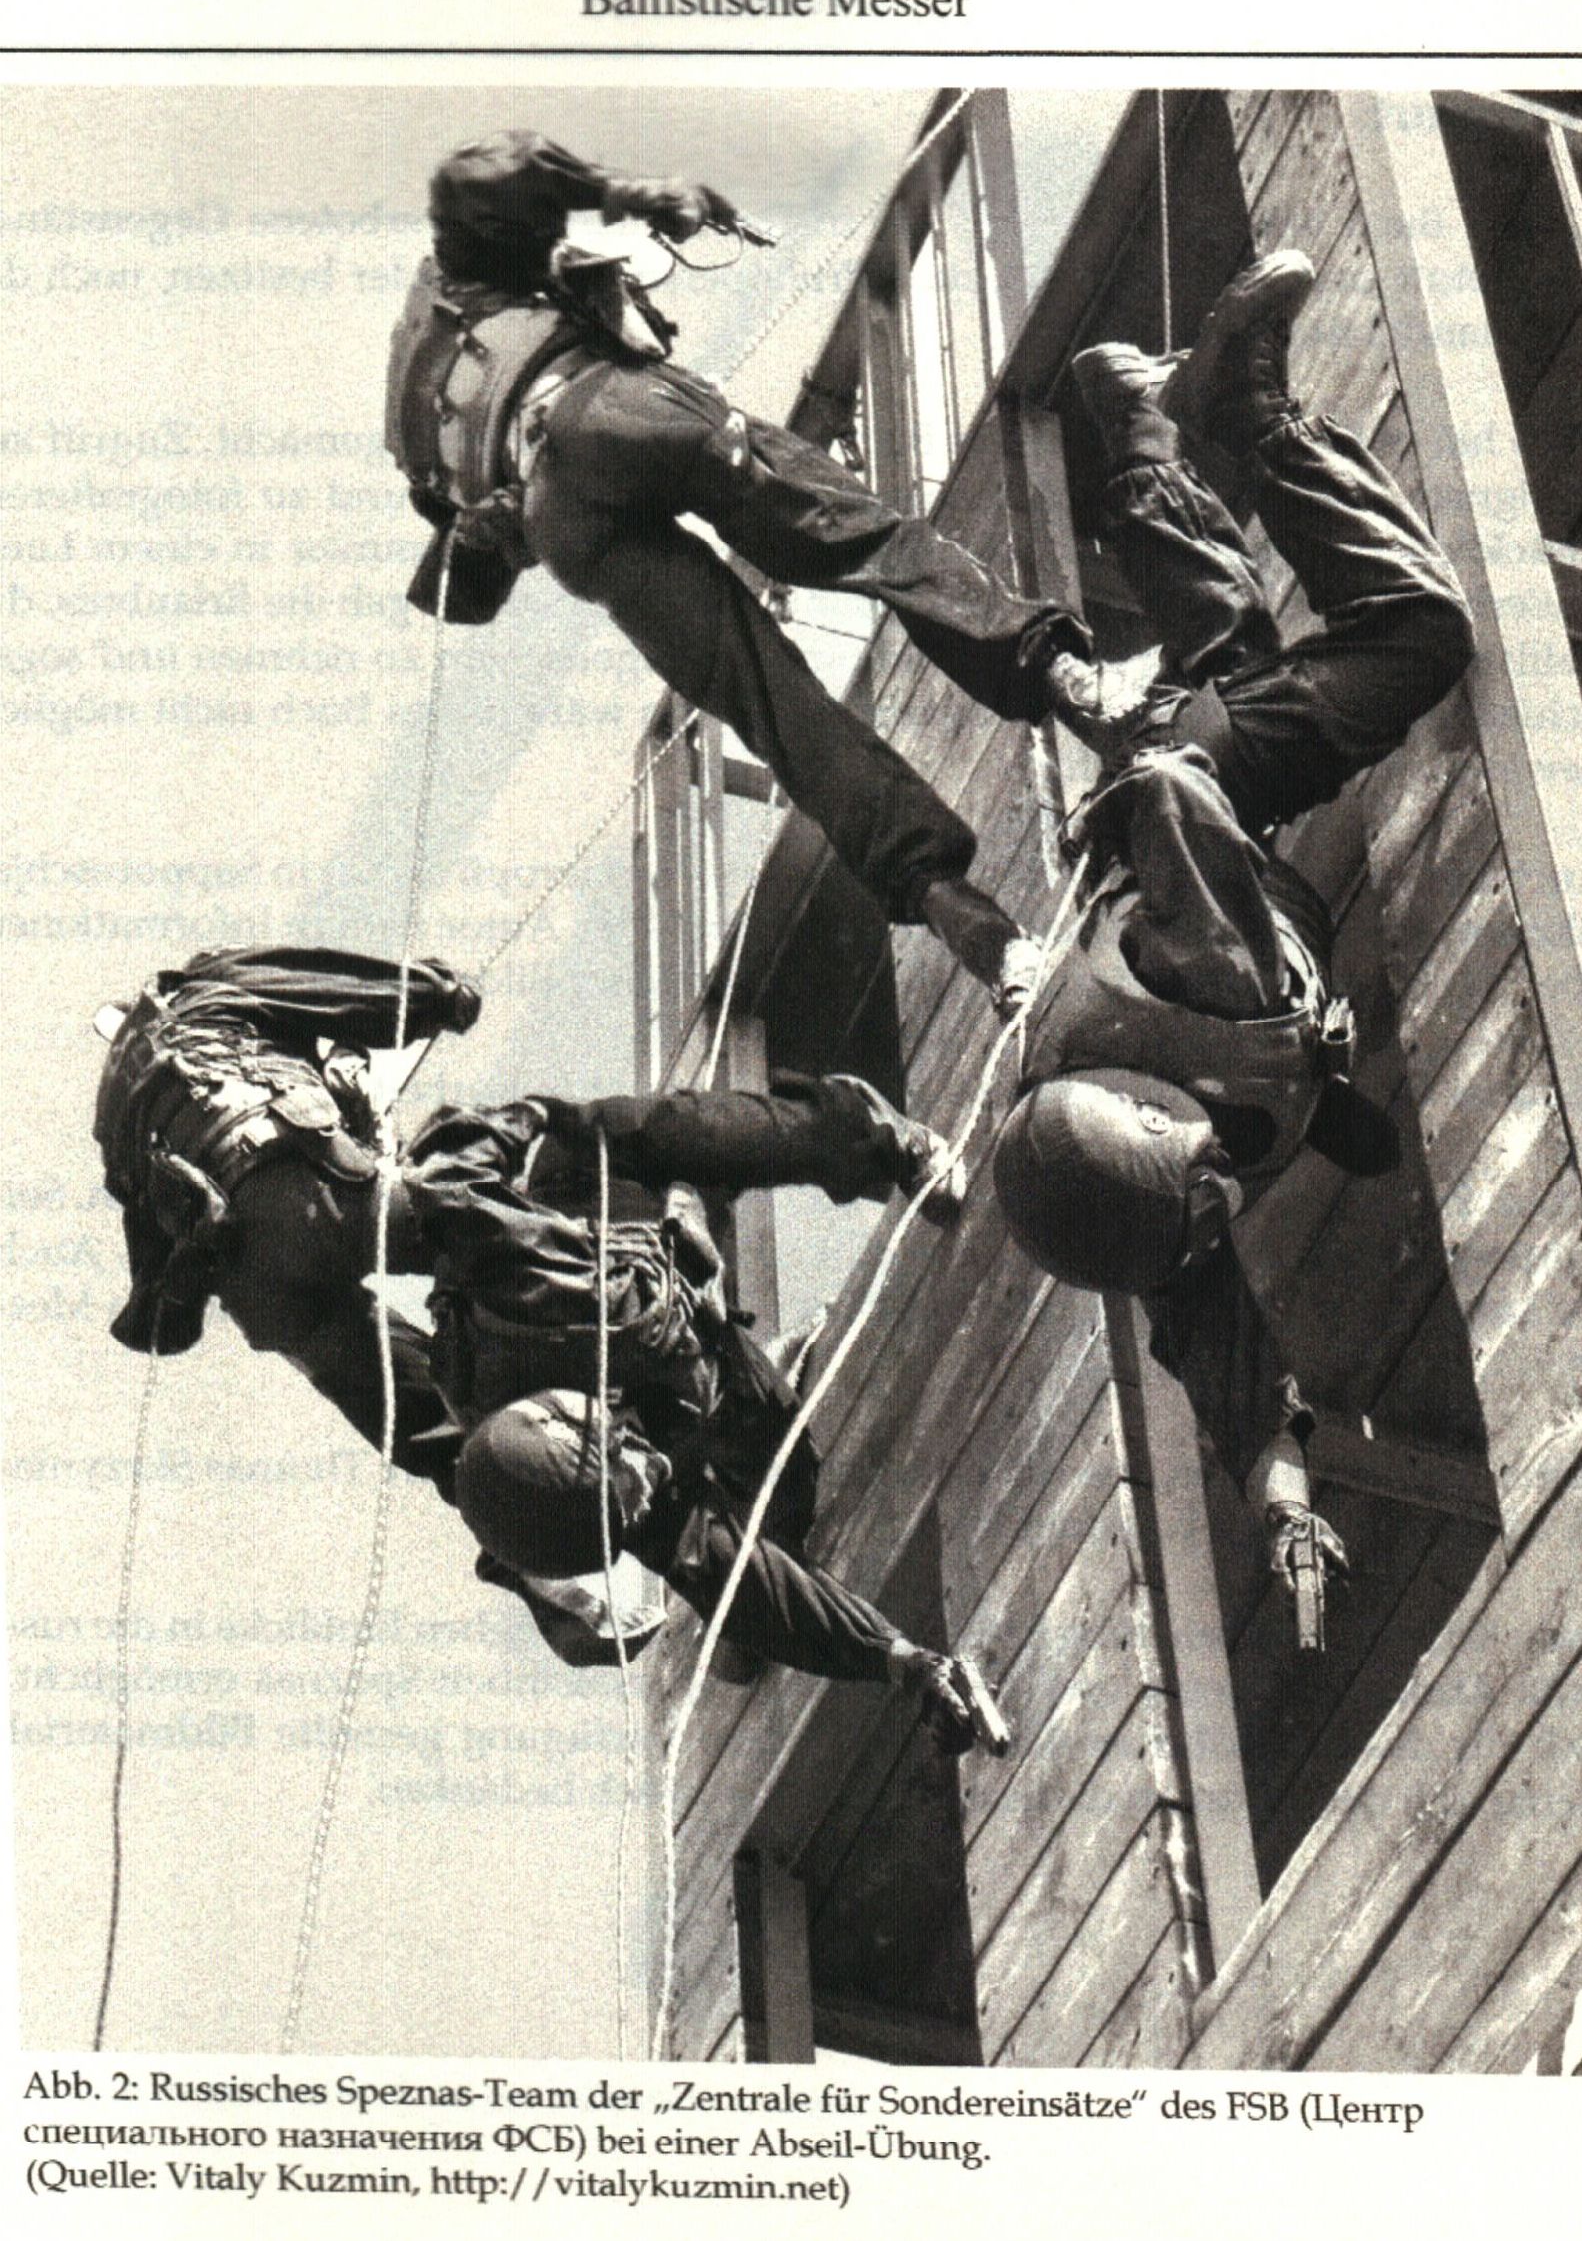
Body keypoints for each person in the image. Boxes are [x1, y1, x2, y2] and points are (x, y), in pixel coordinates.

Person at [93, 945, 1006, 1752]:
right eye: (637, 1488)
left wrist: (450, 1027)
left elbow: (463, 1135)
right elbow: (721, 1565)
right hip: (322, 1224)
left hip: (495, 1247)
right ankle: (550, 1542)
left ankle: (863, 1136)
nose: (650, 1480)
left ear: (590, 1424)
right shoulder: (568, 1455)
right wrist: (903, 1661)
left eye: (635, 1472)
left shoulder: (524, 1270)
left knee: (627, 1144)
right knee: (750, 1484)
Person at [990, 252, 1476, 1638]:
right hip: (1200, 789)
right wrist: (1283, 1504)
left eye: (1206, 1193)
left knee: (1415, 632)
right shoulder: (1140, 1200)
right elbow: (1225, 1365)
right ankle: (1134, 411)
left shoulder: (1202, 982)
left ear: (1157, 1121)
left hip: (1198, 786)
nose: (1222, 1212)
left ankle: (1247, 417)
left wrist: (1178, 803)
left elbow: (1168, 797)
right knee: (1230, 637)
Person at [384, 127, 1093, 1012]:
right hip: (612, 415)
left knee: (777, 714)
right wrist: (647, 191)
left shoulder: (423, 398)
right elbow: (479, 171)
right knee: (854, 536)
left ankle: (975, 929)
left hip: (564, 528)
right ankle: (1066, 678)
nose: (660, 325)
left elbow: (459, 540)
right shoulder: (473, 277)